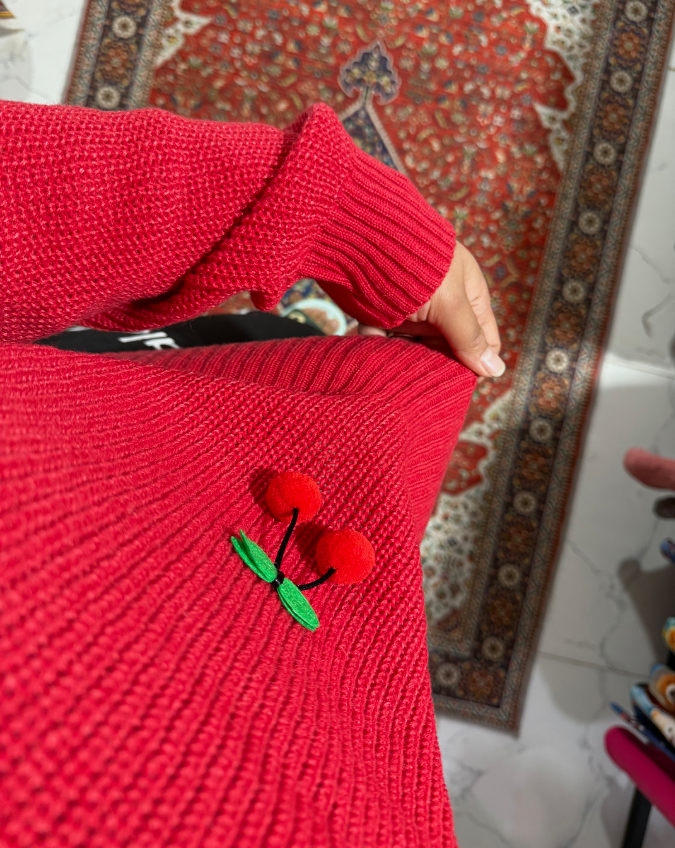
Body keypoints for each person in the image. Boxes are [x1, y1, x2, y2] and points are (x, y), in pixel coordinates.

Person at [0, 98, 502, 847]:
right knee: (272, 339)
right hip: (285, 455)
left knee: (262, 338)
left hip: (148, 418)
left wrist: (321, 207)